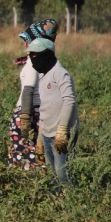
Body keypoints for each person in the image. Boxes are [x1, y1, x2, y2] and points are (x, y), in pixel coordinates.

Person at [26, 38, 79, 191]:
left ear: (47, 54)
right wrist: (40, 138)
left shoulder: (60, 73)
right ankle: (58, 206)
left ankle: (73, 202)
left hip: (61, 133)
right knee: (52, 175)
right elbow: (45, 108)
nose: (33, 59)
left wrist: (63, 130)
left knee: (63, 173)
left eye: (36, 55)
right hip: (47, 132)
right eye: (31, 55)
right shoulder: (43, 77)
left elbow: (69, 100)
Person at [8, 19, 59, 170]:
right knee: (36, 154)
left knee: (23, 154)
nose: (25, 44)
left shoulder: (33, 62)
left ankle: (22, 185)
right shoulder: (49, 61)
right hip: (39, 113)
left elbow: (28, 90)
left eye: (28, 41)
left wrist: (24, 116)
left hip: (29, 113)